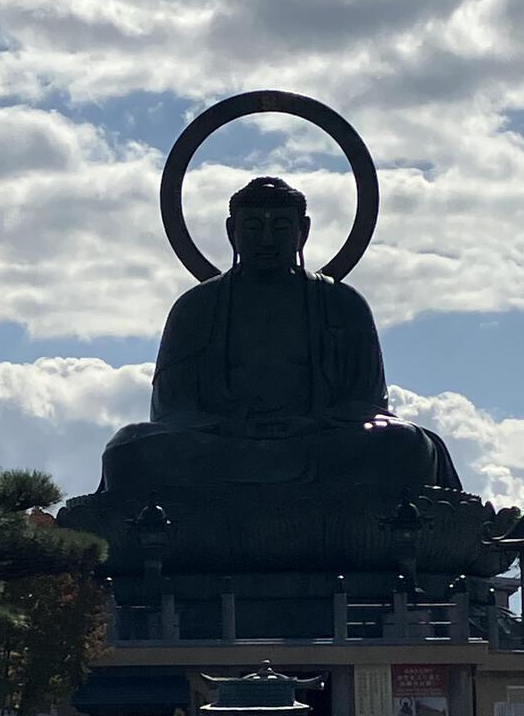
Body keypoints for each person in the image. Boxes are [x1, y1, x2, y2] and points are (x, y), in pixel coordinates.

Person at [102, 177, 460, 492]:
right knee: (129, 447)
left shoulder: (342, 303)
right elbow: (170, 409)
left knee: (405, 444)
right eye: (254, 227)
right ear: (232, 230)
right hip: (222, 446)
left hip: (319, 444)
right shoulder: (195, 307)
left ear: (303, 230)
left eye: (282, 227)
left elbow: (368, 403)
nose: (268, 239)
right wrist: (234, 426)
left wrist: (310, 423)